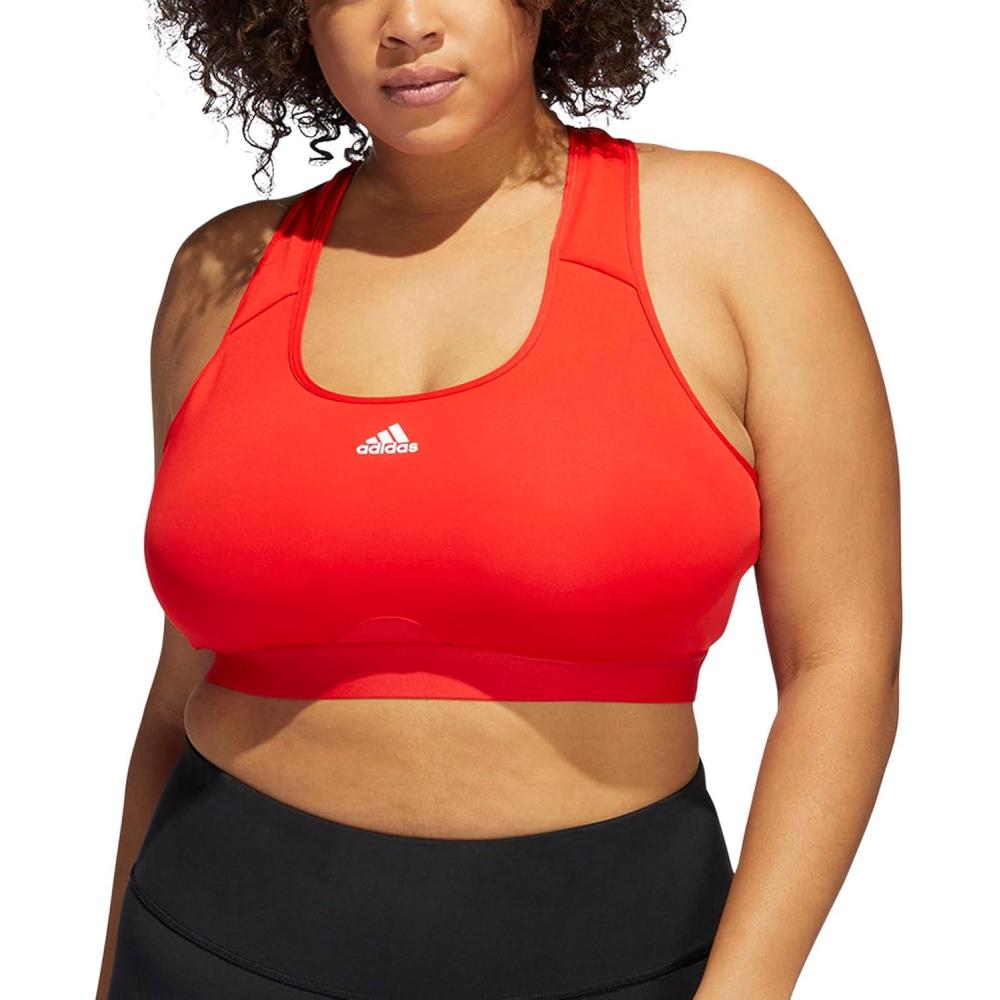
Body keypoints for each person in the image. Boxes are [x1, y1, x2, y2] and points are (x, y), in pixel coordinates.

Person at [96, 2, 901, 998]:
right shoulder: (220, 274)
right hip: (203, 942)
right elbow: (178, 689)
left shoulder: (729, 235)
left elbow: (841, 664)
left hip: (618, 952)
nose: (406, 24)